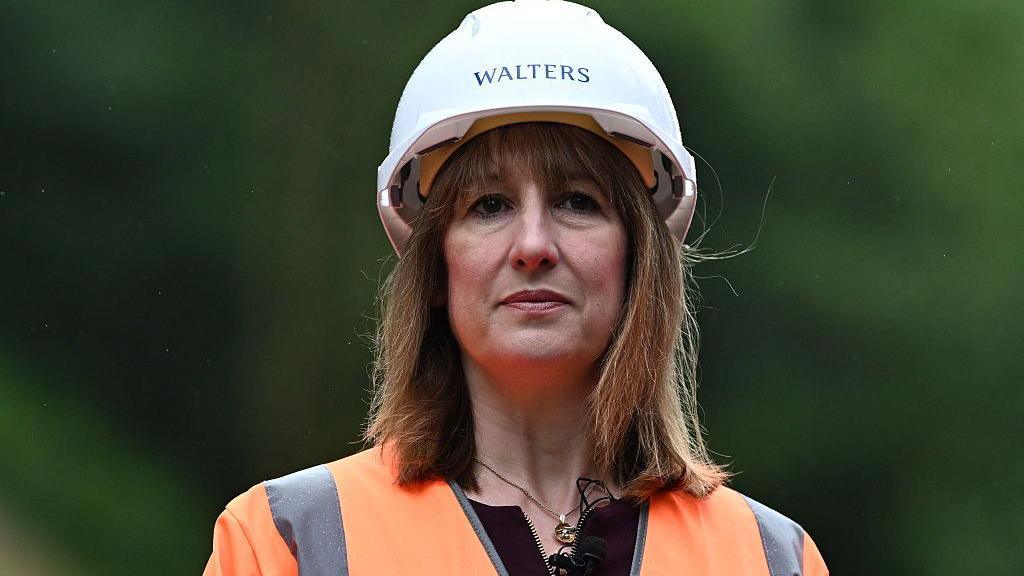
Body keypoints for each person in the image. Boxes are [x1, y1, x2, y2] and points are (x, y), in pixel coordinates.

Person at [203, 1, 829, 574]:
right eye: (490, 205)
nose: (533, 245)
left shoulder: (771, 557)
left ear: (638, 261)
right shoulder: (287, 541)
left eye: (578, 202)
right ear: (436, 267)